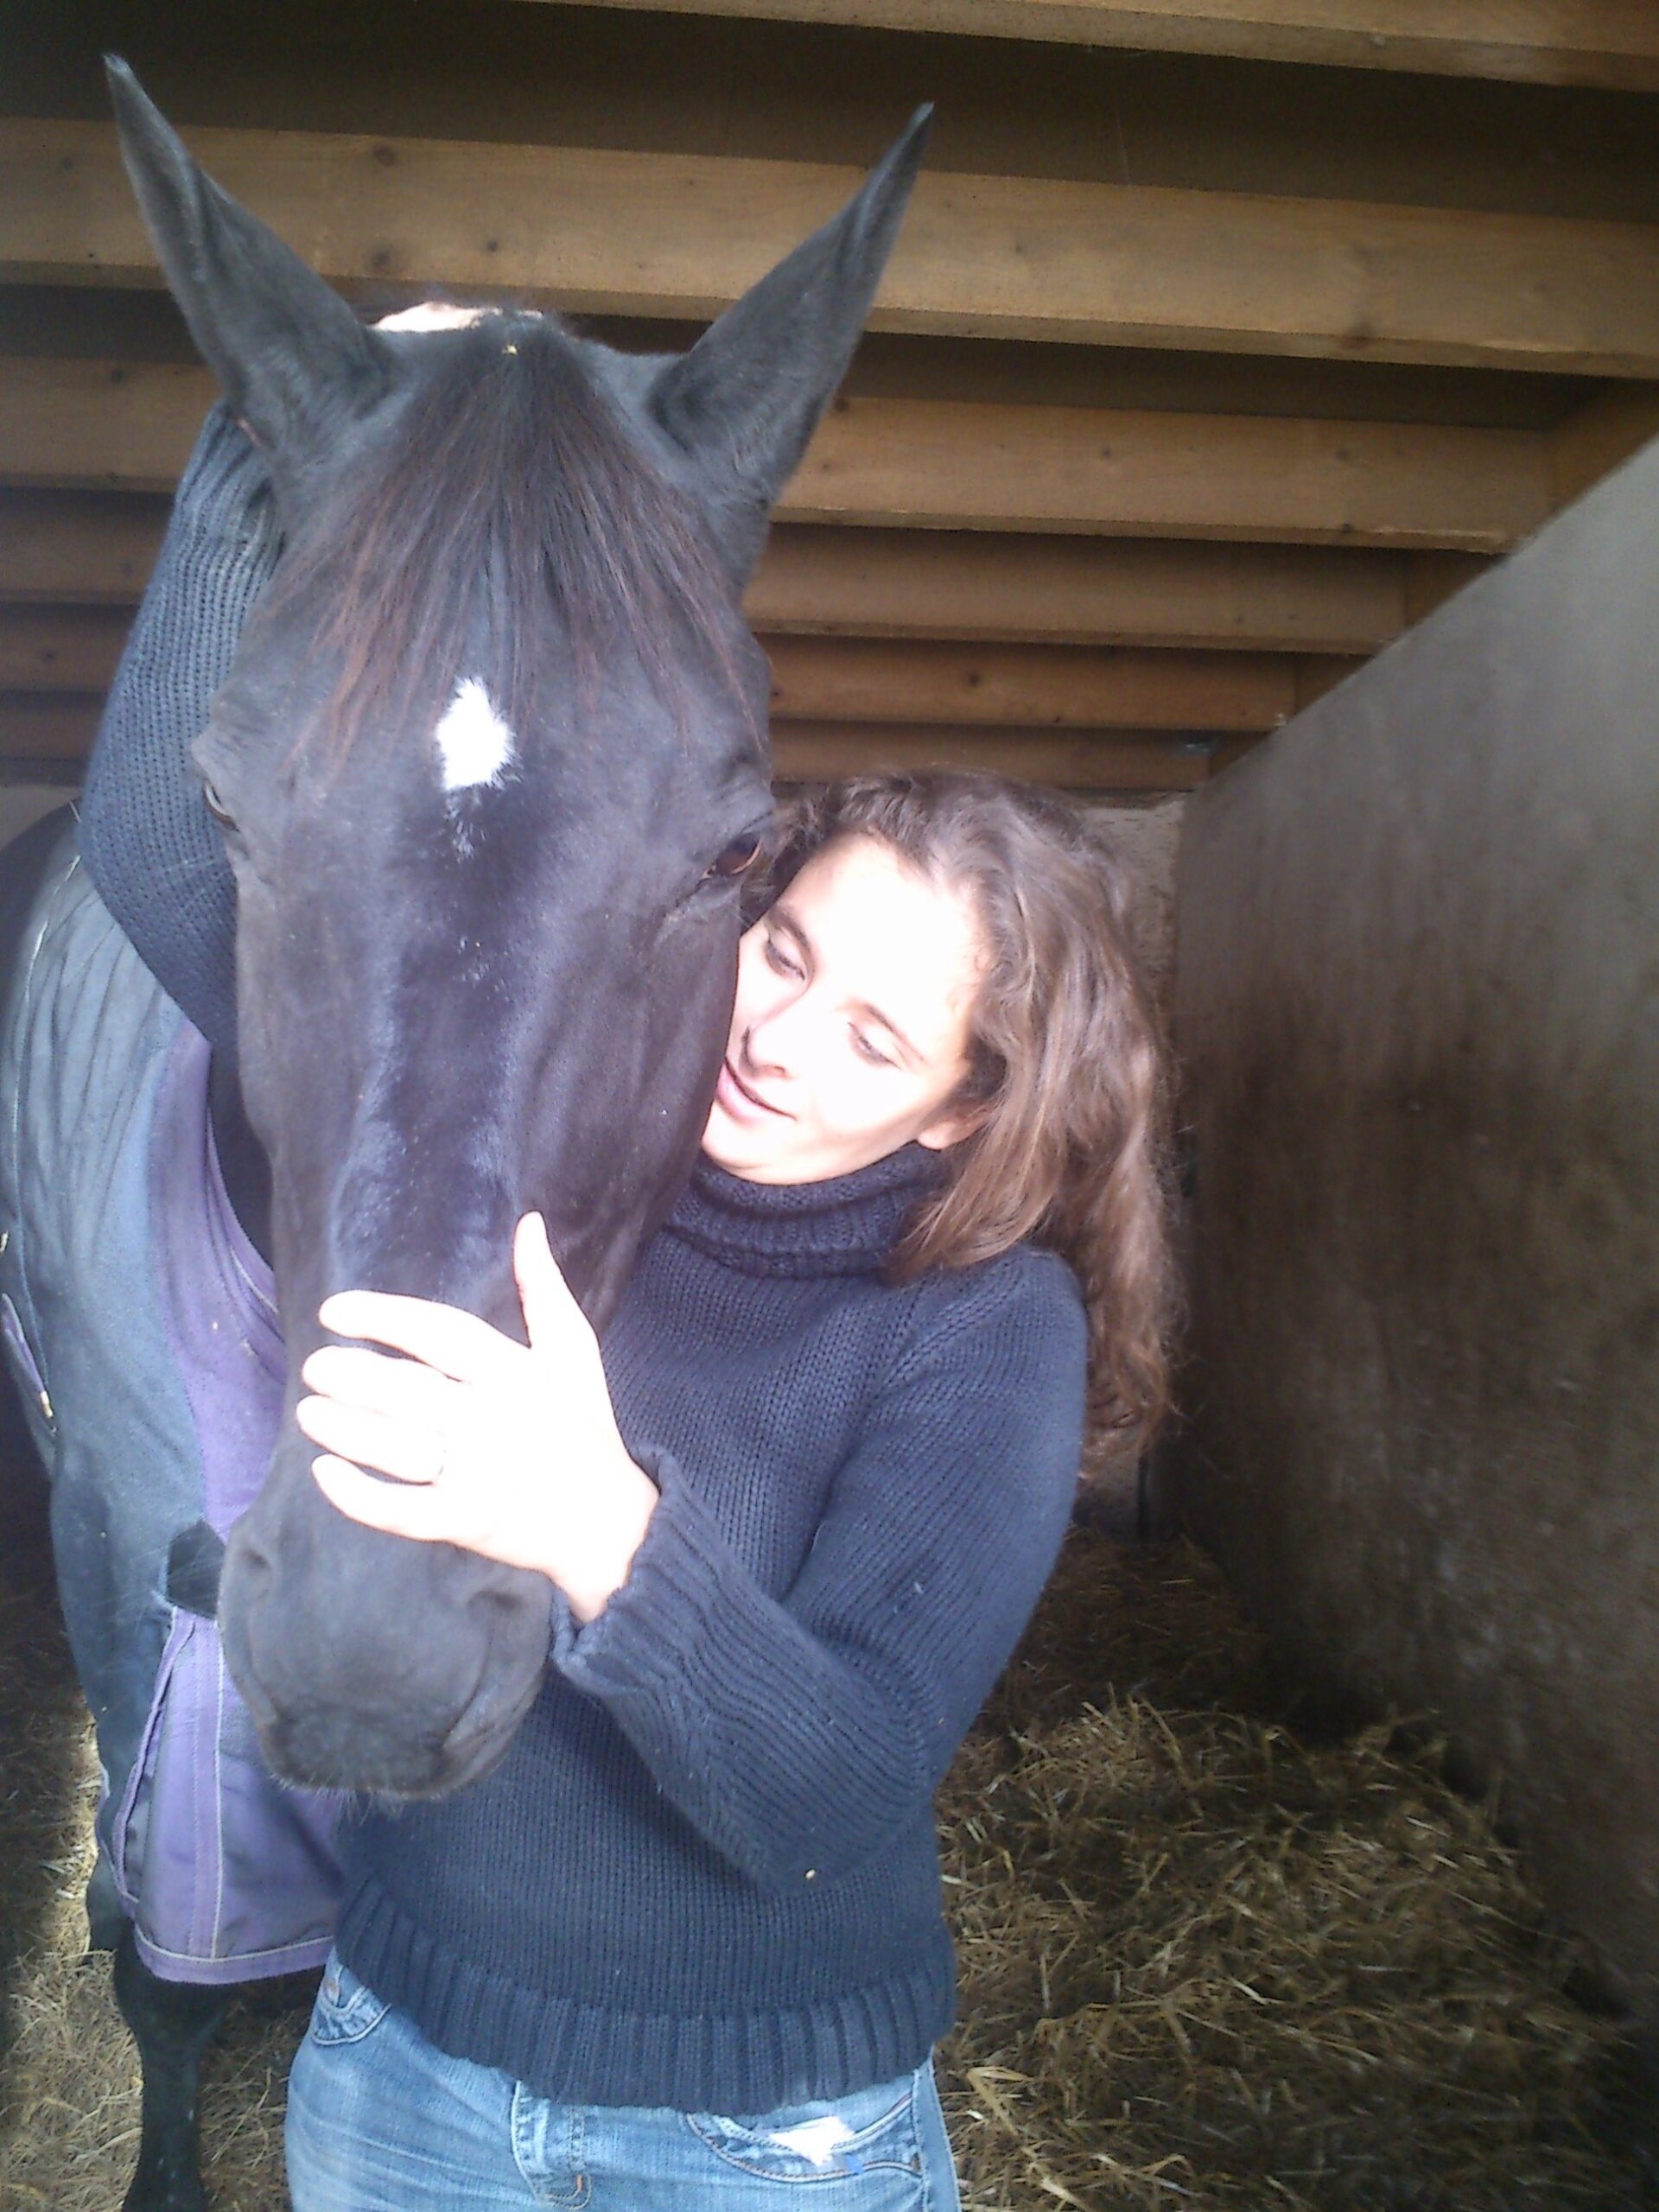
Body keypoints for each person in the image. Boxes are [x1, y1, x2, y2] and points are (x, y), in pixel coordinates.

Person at [79, 384, 1176, 2211]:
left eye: (874, 1031)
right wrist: (275, 432)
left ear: (971, 1099)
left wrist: (596, 1526)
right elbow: (159, 848)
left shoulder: (980, 1329)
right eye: (787, 947)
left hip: (755, 2141)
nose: (774, 1036)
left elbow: (830, 1796)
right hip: (405, 2068)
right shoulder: (561, 1131)